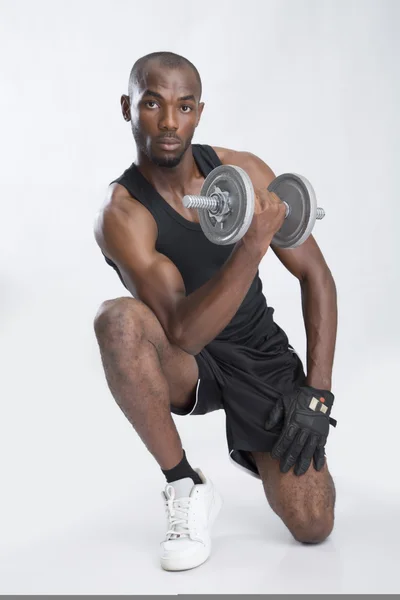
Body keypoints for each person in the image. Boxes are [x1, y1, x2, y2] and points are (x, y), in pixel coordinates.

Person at [93, 51, 338, 572]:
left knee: (313, 524)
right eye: (152, 104)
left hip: (260, 353)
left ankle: (260, 443)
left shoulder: (244, 171)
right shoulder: (123, 215)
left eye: (184, 107)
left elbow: (317, 276)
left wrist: (316, 395)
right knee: (117, 320)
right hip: (189, 362)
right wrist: (250, 247)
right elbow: (182, 333)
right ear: (127, 107)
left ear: (199, 112)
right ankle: (184, 483)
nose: (168, 123)